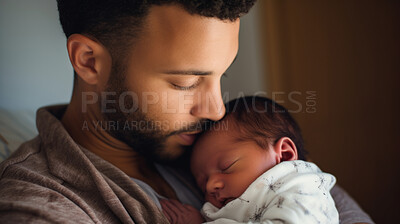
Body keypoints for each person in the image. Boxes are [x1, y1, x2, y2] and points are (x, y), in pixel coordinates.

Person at [0, 0, 373, 223]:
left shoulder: (226, 142)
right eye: (185, 83)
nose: (215, 109)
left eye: (220, 76)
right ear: (90, 61)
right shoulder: (43, 204)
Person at [160, 96, 339, 224]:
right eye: (202, 183)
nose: (210, 186)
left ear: (284, 155)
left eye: (226, 167)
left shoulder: (302, 191)